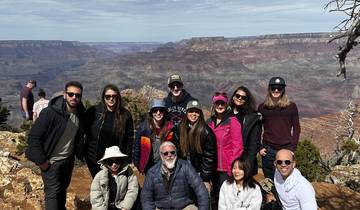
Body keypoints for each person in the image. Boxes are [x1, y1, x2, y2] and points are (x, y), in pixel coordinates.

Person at [25, 81, 85, 210]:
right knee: (52, 194)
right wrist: (42, 161)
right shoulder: (50, 113)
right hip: (51, 162)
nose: (74, 97)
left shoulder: (79, 113)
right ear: (64, 95)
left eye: (77, 95)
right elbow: (34, 138)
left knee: (62, 190)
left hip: (67, 161)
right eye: (71, 94)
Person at [141, 141, 209, 210]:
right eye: (166, 153)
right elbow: (146, 197)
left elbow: (201, 190)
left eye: (172, 152)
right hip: (161, 207)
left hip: (185, 207)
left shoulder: (186, 167)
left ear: (176, 154)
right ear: (161, 155)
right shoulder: (152, 172)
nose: (169, 155)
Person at [85, 84, 134, 178]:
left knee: (114, 185)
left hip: (115, 160)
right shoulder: (94, 111)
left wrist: (127, 159)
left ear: (118, 97)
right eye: (108, 96)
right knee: (100, 184)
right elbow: (85, 132)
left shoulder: (125, 115)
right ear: (103, 97)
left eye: (114, 96)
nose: (111, 99)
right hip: (95, 158)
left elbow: (129, 139)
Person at [258, 77, 300, 180]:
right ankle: (271, 196)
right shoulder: (262, 107)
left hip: (286, 149)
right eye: (273, 88)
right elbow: (257, 129)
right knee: (269, 180)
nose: (276, 90)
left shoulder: (291, 107)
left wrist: (292, 148)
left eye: (279, 88)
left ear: (283, 90)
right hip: (268, 150)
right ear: (269, 89)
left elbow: (296, 128)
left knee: (286, 179)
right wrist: (259, 147)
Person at [207, 91, 243, 200]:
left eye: (222, 103)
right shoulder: (209, 122)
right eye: (217, 103)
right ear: (214, 105)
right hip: (212, 167)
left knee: (227, 198)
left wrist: (231, 168)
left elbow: (238, 147)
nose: (220, 106)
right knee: (216, 197)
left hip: (226, 168)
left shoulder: (232, 121)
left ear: (226, 104)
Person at [178, 99, 216, 192]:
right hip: (184, 171)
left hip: (199, 172)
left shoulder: (206, 132)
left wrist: (205, 178)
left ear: (200, 114)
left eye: (197, 112)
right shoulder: (180, 128)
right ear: (186, 113)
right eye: (191, 111)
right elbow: (177, 149)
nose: (194, 114)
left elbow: (209, 157)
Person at [133, 99, 177, 174]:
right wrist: (137, 164)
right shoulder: (143, 128)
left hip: (165, 163)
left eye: (161, 110)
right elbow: (137, 147)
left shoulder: (170, 128)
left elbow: (175, 146)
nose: (158, 113)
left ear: (165, 112)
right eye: (155, 110)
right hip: (148, 165)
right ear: (151, 113)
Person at [90, 146, 139, 210]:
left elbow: (133, 190)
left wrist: (125, 207)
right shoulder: (99, 176)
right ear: (105, 162)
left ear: (121, 161)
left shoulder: (128, 172)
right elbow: (96, 197)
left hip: (122, 206)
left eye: (117, 161)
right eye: (110, 162)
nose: (114, 164)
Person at [230, 86, 262, 176]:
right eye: (238, 95)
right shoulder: (227, 114)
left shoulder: (252, 118)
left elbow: (253, 145)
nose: (240, 98)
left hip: (244, 161)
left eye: (243, 97)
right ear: (233, 97)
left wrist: (248, 167)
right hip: (228, 160)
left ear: (247, 100)